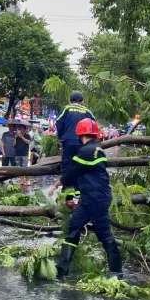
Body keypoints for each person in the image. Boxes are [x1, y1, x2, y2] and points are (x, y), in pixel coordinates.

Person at [49, 118, 122, 281]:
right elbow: (87, 175)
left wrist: (56, 184)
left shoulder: (85, 152)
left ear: (80, 134)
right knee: (73, 227)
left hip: (97, 199)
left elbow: (71, 174)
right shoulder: (97, 149)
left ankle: (116, 272)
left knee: (104, 234)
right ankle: (62, 270)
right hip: (90, 198)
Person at [55, 92, 95, 174]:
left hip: (68, 141)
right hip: (83, 143)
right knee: (82, 165)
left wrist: (60, 137)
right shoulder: (87, 111)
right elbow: (93, 127)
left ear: (70, 101)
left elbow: (59, 124)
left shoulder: (65, 109)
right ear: (82, 101)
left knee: (67, 165)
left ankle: (68, 185)